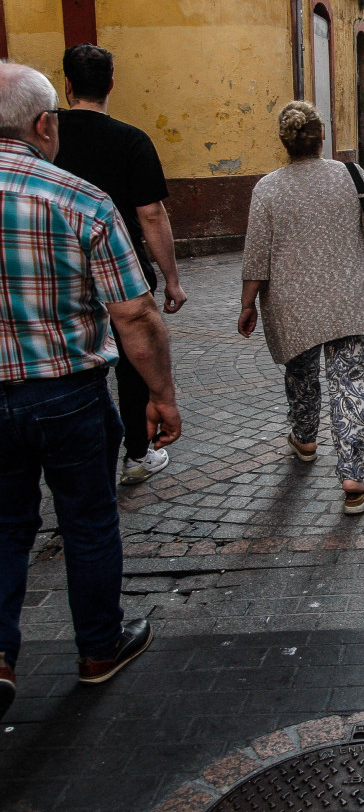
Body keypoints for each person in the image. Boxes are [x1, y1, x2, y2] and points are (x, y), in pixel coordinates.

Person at [0, 62, 182, 720]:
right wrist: (161, 394)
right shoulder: (78, 198)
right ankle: (99, 647)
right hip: (68, 391)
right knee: (87, 517)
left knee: (3, 523)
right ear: (44, 125)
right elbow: (134, 314)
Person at [238, 101, 364, 514]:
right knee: (352, 381)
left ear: (283, 141)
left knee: (301, 373)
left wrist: (247, 304)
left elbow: (256, 257)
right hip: (348, 299)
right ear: (322, 136)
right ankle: (353, 477)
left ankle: (305, 439)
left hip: (291, 304)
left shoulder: (267, 188)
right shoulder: (352, 176)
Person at [56, 44, 187, 486]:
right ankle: (136, 454)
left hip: (59, 272)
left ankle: (74, 460)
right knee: (134, 360)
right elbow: (151, 214)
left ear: (67, 84)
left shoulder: (44, 134)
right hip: (121, 270)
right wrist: (170, 279)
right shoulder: (131, 139)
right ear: (111, 83)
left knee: (73, 361)